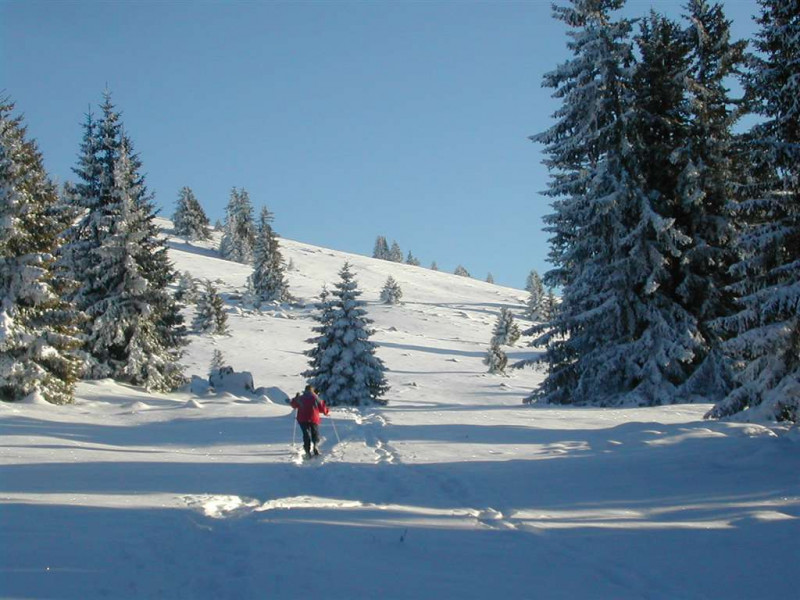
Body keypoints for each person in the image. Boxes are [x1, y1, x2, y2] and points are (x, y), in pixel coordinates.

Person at [290, 385, 329, 459]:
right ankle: (315, 445)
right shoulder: (315, 397)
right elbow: (322, 407)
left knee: (306, 433)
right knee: (315, 432)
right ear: (313, 390)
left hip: (302, 419)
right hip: (314, 418)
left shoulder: (300, 398)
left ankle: (307, 450)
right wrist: (326, 412)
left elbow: (293, 405)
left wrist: (295, 398)